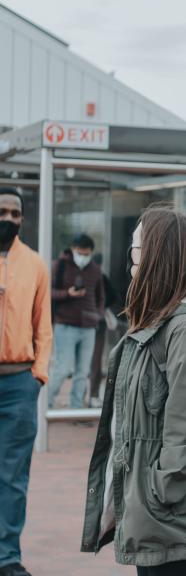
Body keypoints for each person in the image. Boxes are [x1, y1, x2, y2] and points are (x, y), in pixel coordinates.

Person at [80, 206, 186, 575]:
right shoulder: (159, 323)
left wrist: (158, 491)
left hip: (171, 515)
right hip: (154, 515)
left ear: (157, 256)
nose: (131, 261)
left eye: (136, 250)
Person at [0, 187, 52, 576]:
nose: (9, 219)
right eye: (2, 211)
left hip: (19, 383)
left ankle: (7, 557)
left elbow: (43, 326)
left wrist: (38, 375)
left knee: (13, 476)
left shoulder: (34, 263)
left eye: (15, 213)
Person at [48, 234, 104, 408]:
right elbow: (48, 292)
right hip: (65, 325)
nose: (83, 257)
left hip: (88, 328)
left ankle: (76, 409)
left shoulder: (95, 269)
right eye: (80, 253)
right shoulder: (60, 265)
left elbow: (100, 296)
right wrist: (68, 293)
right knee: (62, 369)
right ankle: (45, 405)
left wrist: (97, 315)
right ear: (73, 249)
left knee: (82, 372)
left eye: (87, 254)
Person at [87, 253, 121, 408]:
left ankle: (90, 395)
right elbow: (113, 297)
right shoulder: (99, 276)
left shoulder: (98, 277)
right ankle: (91, 396)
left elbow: (112, 297)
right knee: (93, 361)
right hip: (92, 324)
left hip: (92, 324)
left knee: (91, 362)